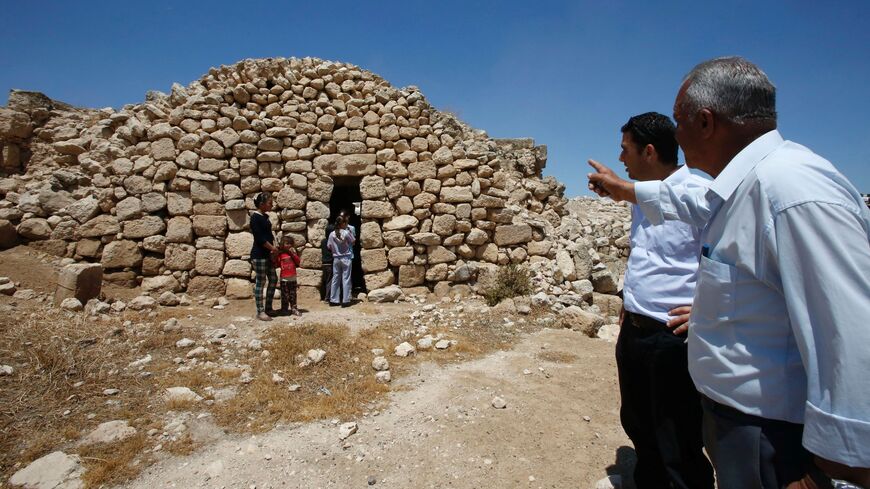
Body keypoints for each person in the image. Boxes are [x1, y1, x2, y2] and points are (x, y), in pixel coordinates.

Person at [588, 56, 870, 488]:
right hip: (743, 425)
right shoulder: (743, 186)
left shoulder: (793, 191)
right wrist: (622, 189)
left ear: (705, 122)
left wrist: (834, 469)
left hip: (773, 436)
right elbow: (685, 204)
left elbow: (852, 332)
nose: (676, 137)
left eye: (679, 122)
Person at [607, 112, 713, 489]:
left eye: (625, 150)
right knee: (637, 422)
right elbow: (646, 254)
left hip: (673, 337)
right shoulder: (639, 193)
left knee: (678, 437)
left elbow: (724, 259)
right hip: (635, 330)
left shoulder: (699, 193)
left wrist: (704, 309)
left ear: (648, 151)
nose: (621, 159)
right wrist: (628, 303)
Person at [249, 192, 278, 321]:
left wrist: (272, 250)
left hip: (267, 254)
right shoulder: (255, 218)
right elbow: (259, 238)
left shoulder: (265, 217)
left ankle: (268, 307)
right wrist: (272, 248)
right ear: (261, 204)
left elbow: (268, 236)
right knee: (261, 282)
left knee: (273, 279)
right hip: (259, 255)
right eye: (269, 203)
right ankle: (260, 311)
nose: (271, 205)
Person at [327, 216, 355, 307]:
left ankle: (333, 300)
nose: (347, 225)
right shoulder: (346, 233)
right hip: (346, 258)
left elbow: (329, 246)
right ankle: (345, 300)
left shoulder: (331, 234)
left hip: (336, 259)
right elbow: (353, 242)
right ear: (342, 224)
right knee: (346, 278)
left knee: (335, 278)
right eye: (346, 223)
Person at [274, 235, 301, 317]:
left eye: (290, 244)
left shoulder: (293, 253)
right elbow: (277, 263)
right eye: (287, 243)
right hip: (284, 279)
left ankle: (294, 308)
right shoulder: (281, 255)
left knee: (293, 294)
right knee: (285, 295)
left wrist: (292, 254)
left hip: (292, 278)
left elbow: (298, 261)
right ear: (282, 244)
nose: (289, 245)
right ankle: (284, 309)